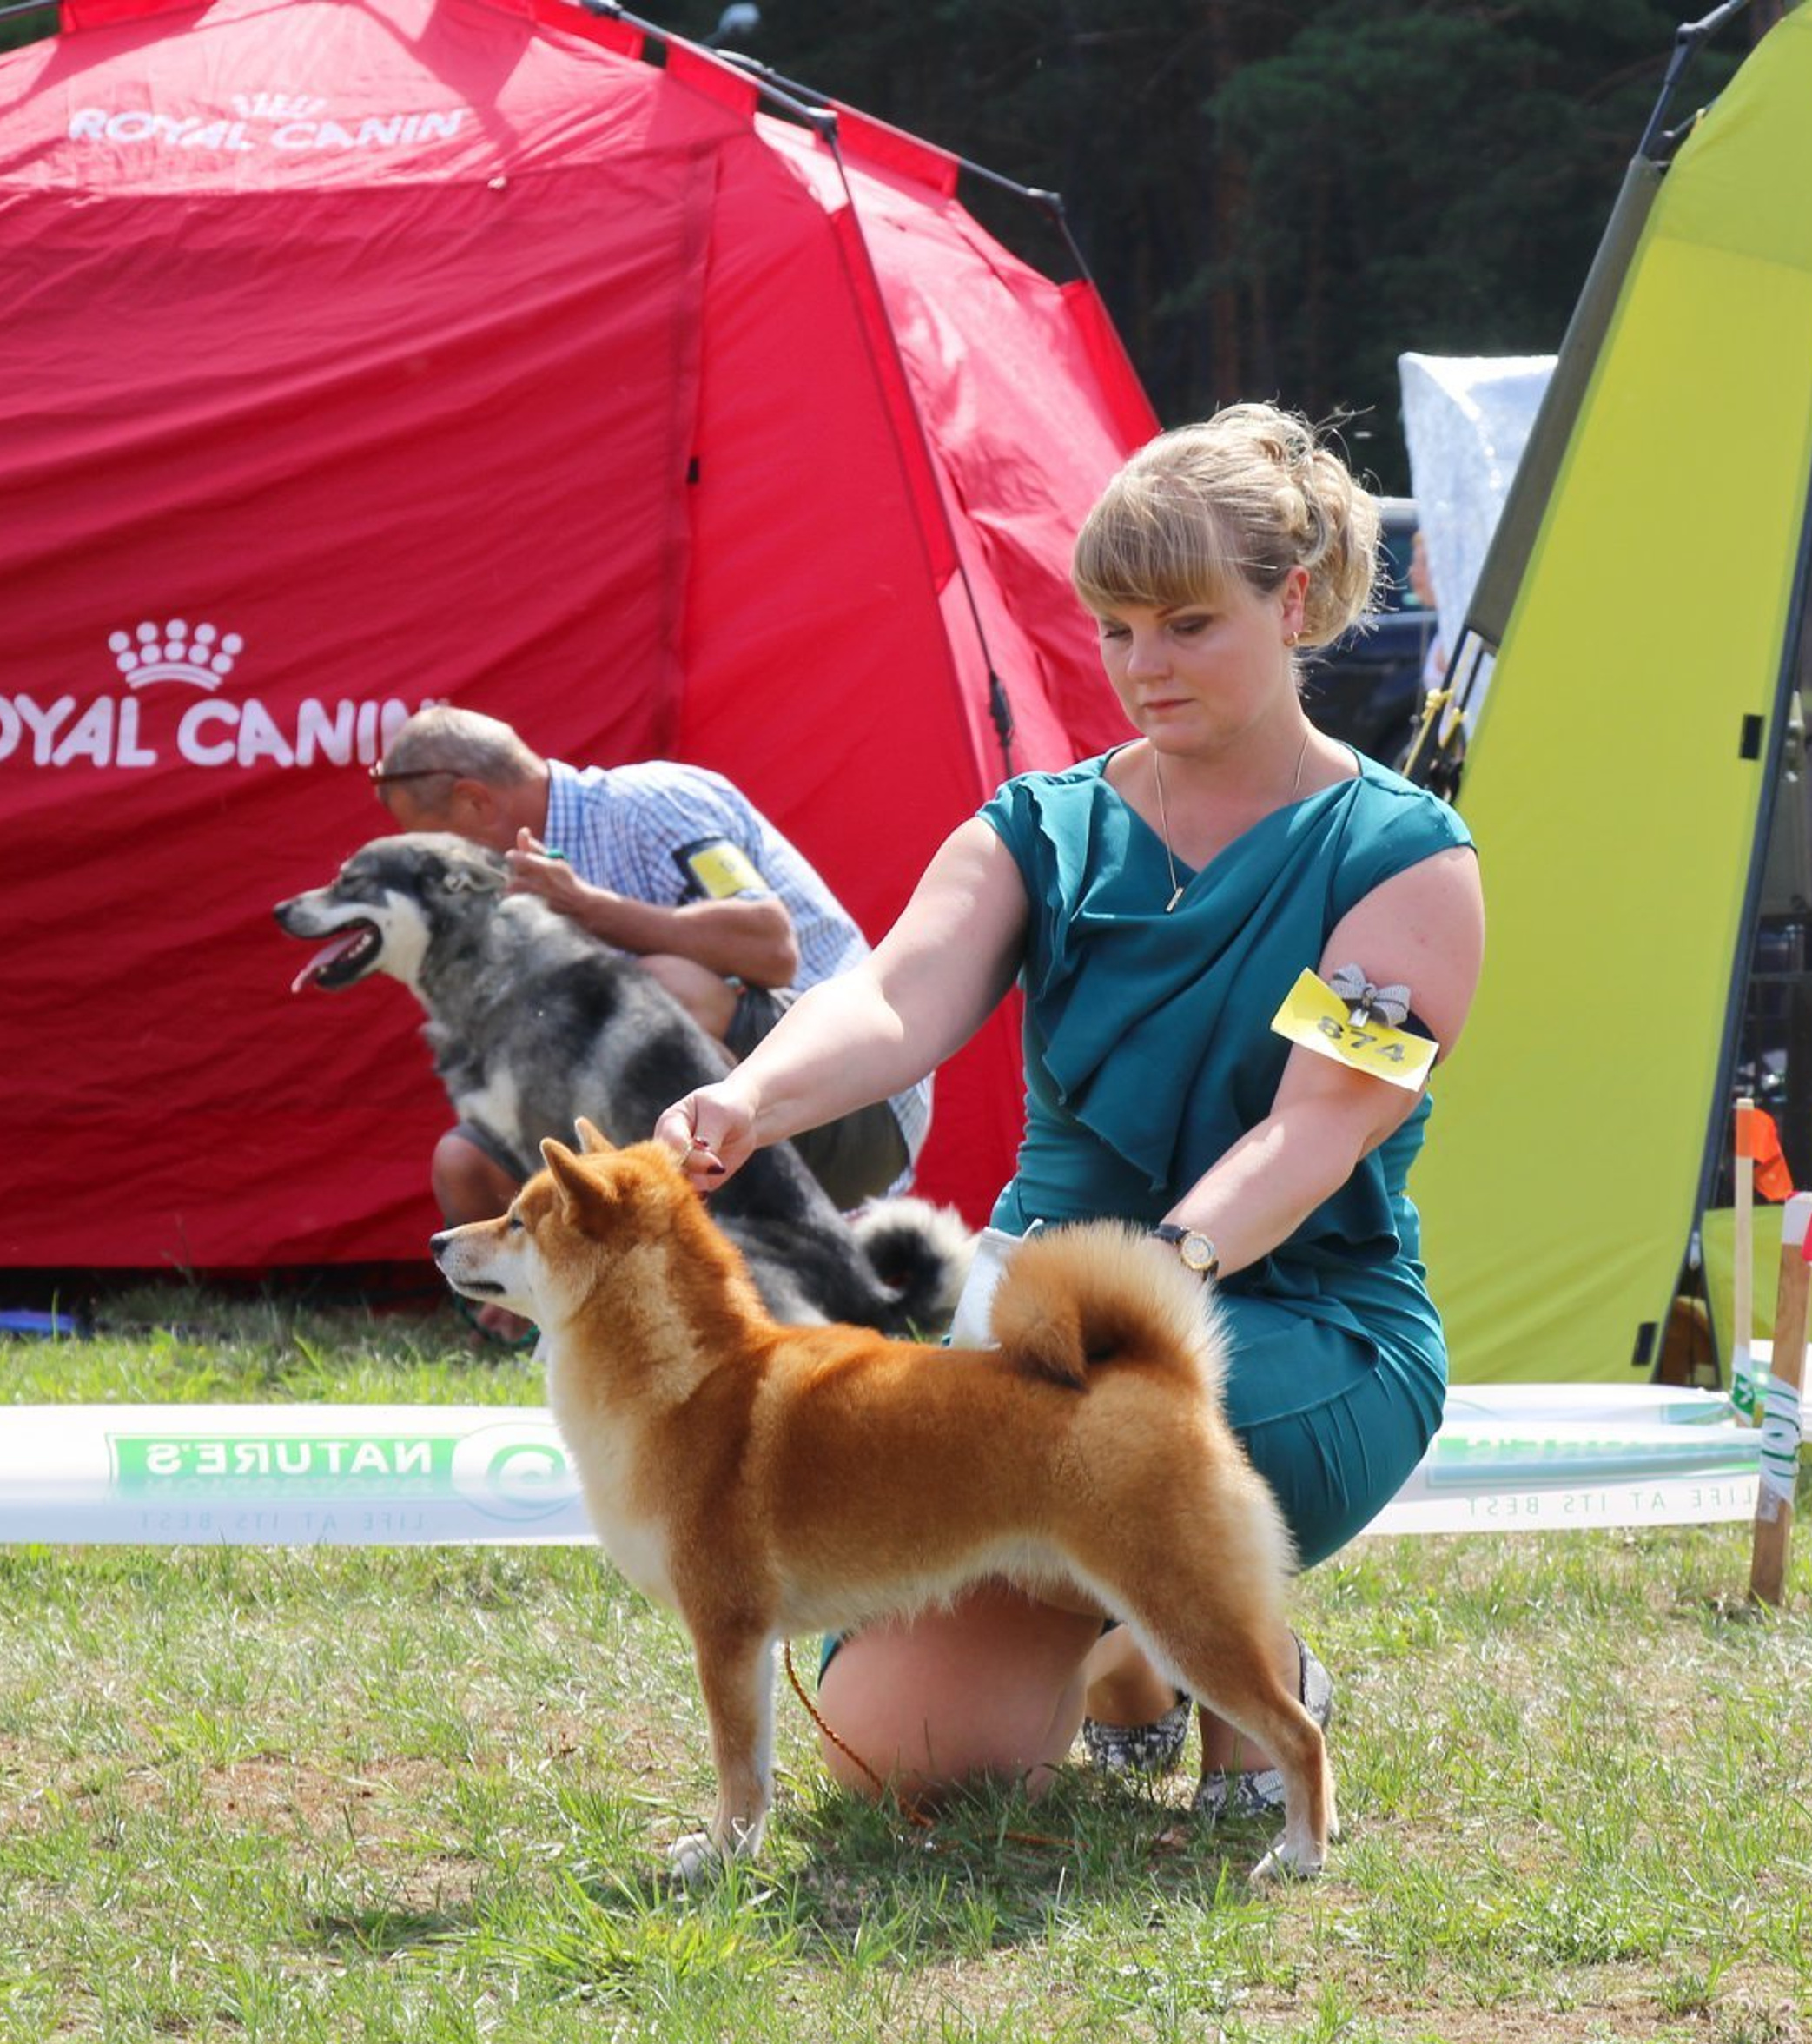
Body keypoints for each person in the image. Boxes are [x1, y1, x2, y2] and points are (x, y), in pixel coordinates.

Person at [654, 403, 1485, 1820]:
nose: (1143, 667)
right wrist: (745, 1097)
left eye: (1185, 623)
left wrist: (1164, 1273)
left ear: (1292, 605)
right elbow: (897, 1001)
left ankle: (1246, 1667)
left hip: (1293, 1328)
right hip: (1023, 1342)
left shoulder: (1403, 858)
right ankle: (1134, 1655)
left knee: (1127, 1434)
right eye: (1115, 630)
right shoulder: (1039, 825)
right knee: (895, 1782)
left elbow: (1313, 1133)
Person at [370, 705, 930, 1242]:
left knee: (659, 992)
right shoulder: (505, 887)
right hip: (716, 1106)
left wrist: (587, 908)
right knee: (466, 1163)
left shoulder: (654, 802)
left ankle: (745, 1252)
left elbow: (771, 944)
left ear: (474, 803)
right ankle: (547, 1323)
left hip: (856, 1102)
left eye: (434, 848)